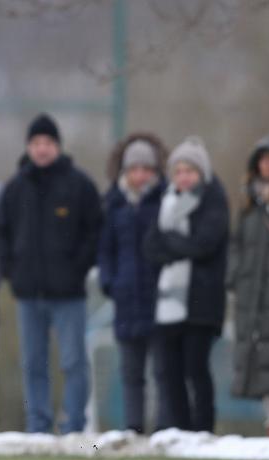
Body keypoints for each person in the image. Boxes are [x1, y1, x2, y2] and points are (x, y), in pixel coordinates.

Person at [0, 114, 102, 434]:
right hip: (28, 294)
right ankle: (38, 426)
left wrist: (77, 268)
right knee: (33, 365)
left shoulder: (80, 185)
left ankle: (73, 425)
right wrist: (12, 273)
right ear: (28, 147)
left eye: (48, 143)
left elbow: (95, 231)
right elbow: (3, 234)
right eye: (36, 143)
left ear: (57, 146)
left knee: (73, 362)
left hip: (68, 293)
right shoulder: (15, 188)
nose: (42, 149)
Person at [144, 136, 229, 432]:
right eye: (178, 171)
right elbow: (150, 247)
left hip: (202, 304)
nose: (183, 177)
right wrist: (178, 245)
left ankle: (202, 429)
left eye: (189, 171)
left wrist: (171, 244)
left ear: (201, 173)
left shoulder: (214, 199)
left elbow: (204, 245)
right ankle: (179, 430)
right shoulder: (166, 202)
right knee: (170, 371)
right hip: (168, 305)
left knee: (196, 369)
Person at [98, 134, 168, 433]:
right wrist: (109, 282)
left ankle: (167, 429)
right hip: (126, 298)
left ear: (154, 171)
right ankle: (133, 427)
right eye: (134, 169)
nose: (140, 175)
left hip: (160, 299)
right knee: (130, 371)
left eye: (146, 169)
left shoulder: (167, 201)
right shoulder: (113, 205)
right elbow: (105, 249)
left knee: (164, 370)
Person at [228, 131, 269, 437]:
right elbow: (236, 244)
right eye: (262, 160)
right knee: (264, 364)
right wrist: (236, 277)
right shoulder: (249, 205)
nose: (267, 166)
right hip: (256, 299)